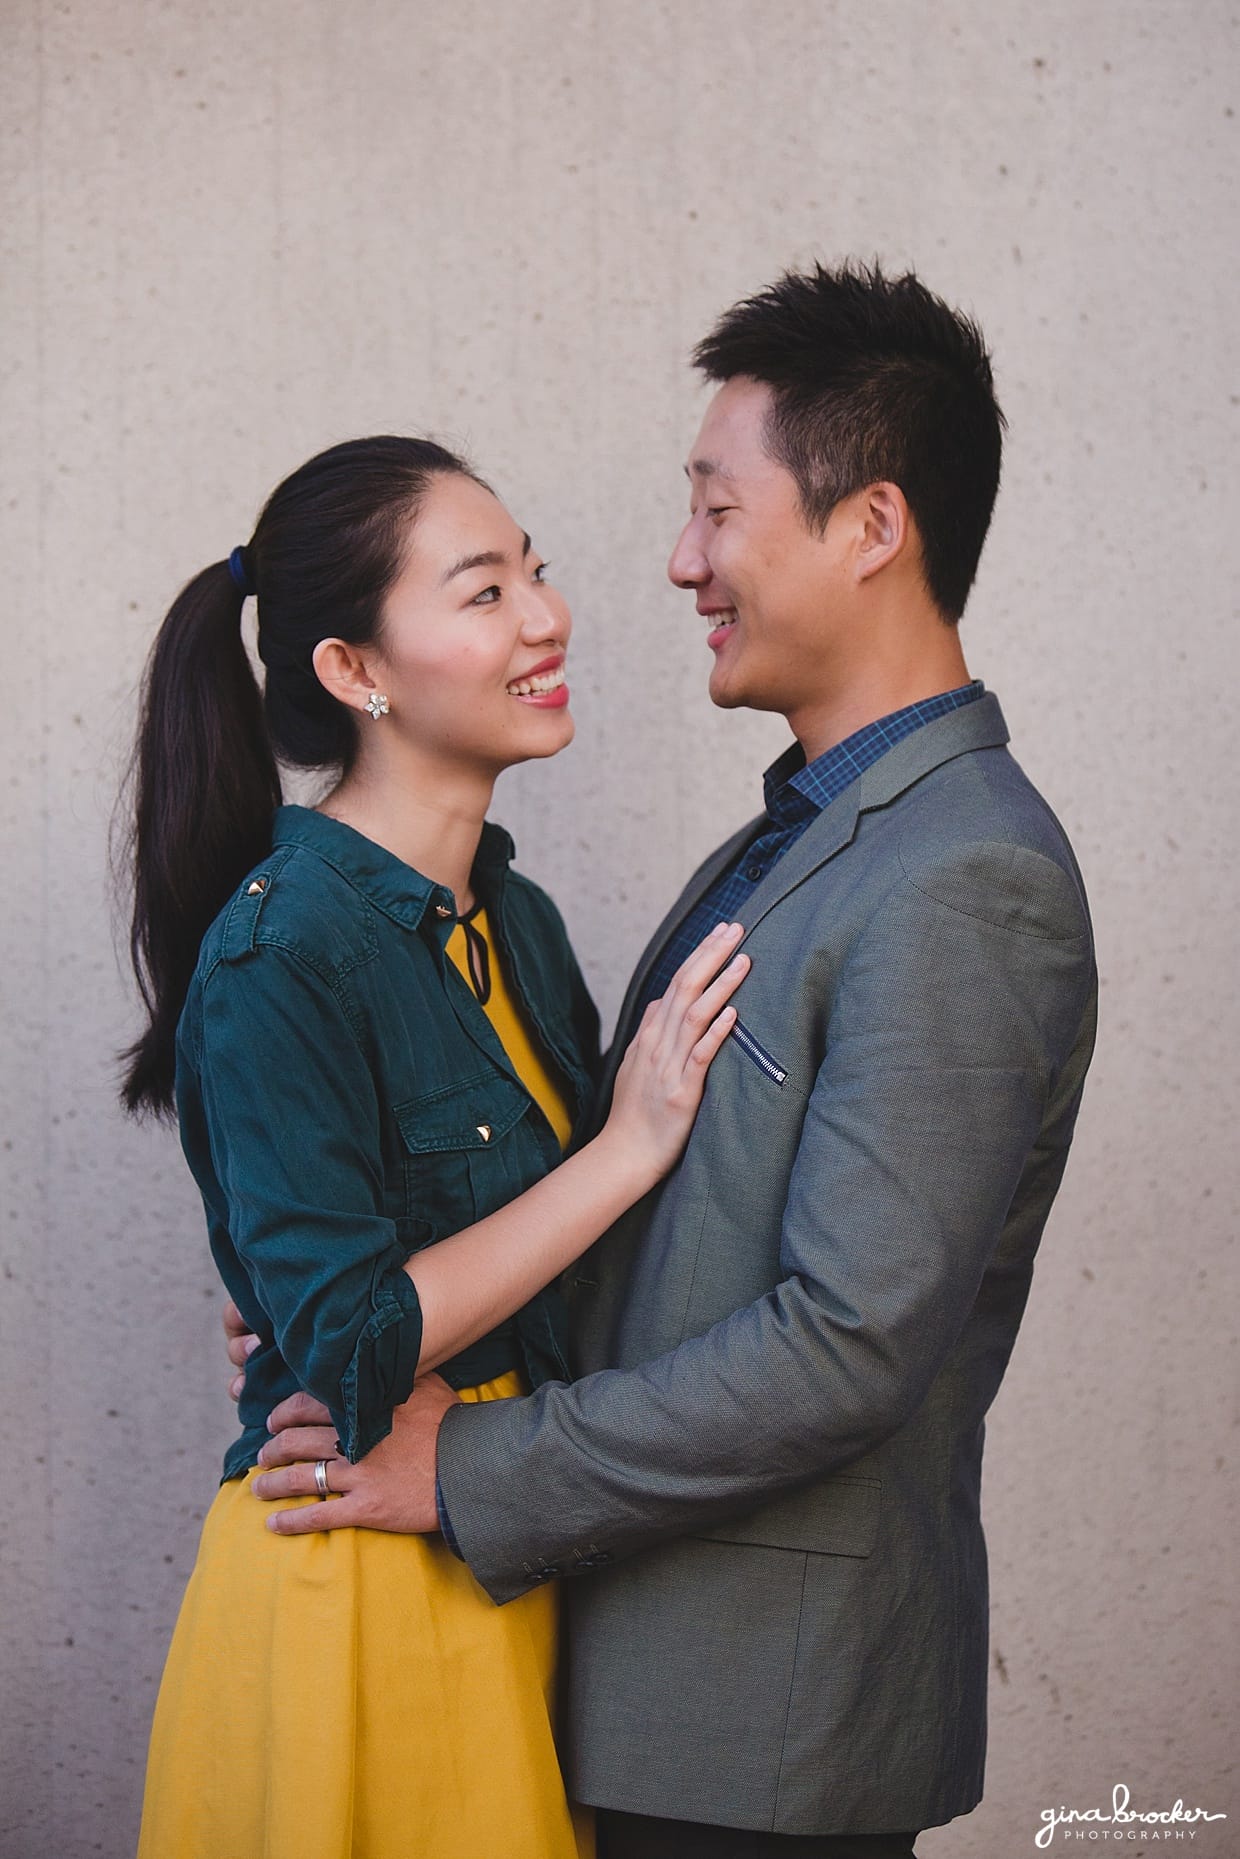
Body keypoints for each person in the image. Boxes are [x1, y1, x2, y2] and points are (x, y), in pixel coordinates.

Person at [244, 265, 1099, 1859]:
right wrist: (367, 1277)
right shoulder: (806, 838)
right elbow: (647, 1208)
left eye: (718, 509)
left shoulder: (968, 880)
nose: (680, 562)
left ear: (871, 527)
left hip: (756, 1738)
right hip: (637, 1696)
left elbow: (850, 1341)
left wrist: (477, 1463)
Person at [121, 434, 750, 1859]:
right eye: (482, 591)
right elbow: (347, 1348)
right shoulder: (283, 951)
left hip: (499, 1551)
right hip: (356, 1601)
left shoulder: (510, 920)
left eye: (536, 569)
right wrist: (625, 1148)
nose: (545, 615)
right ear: (358, 672)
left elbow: (454, 1285)